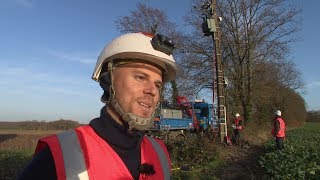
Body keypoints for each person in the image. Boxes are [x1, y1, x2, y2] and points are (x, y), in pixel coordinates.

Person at [18, 32, 178, 180]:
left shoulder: (160, 152)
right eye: (141, 77)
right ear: (109, 80)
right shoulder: (58, 156)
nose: (152, 90)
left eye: (158, 85)